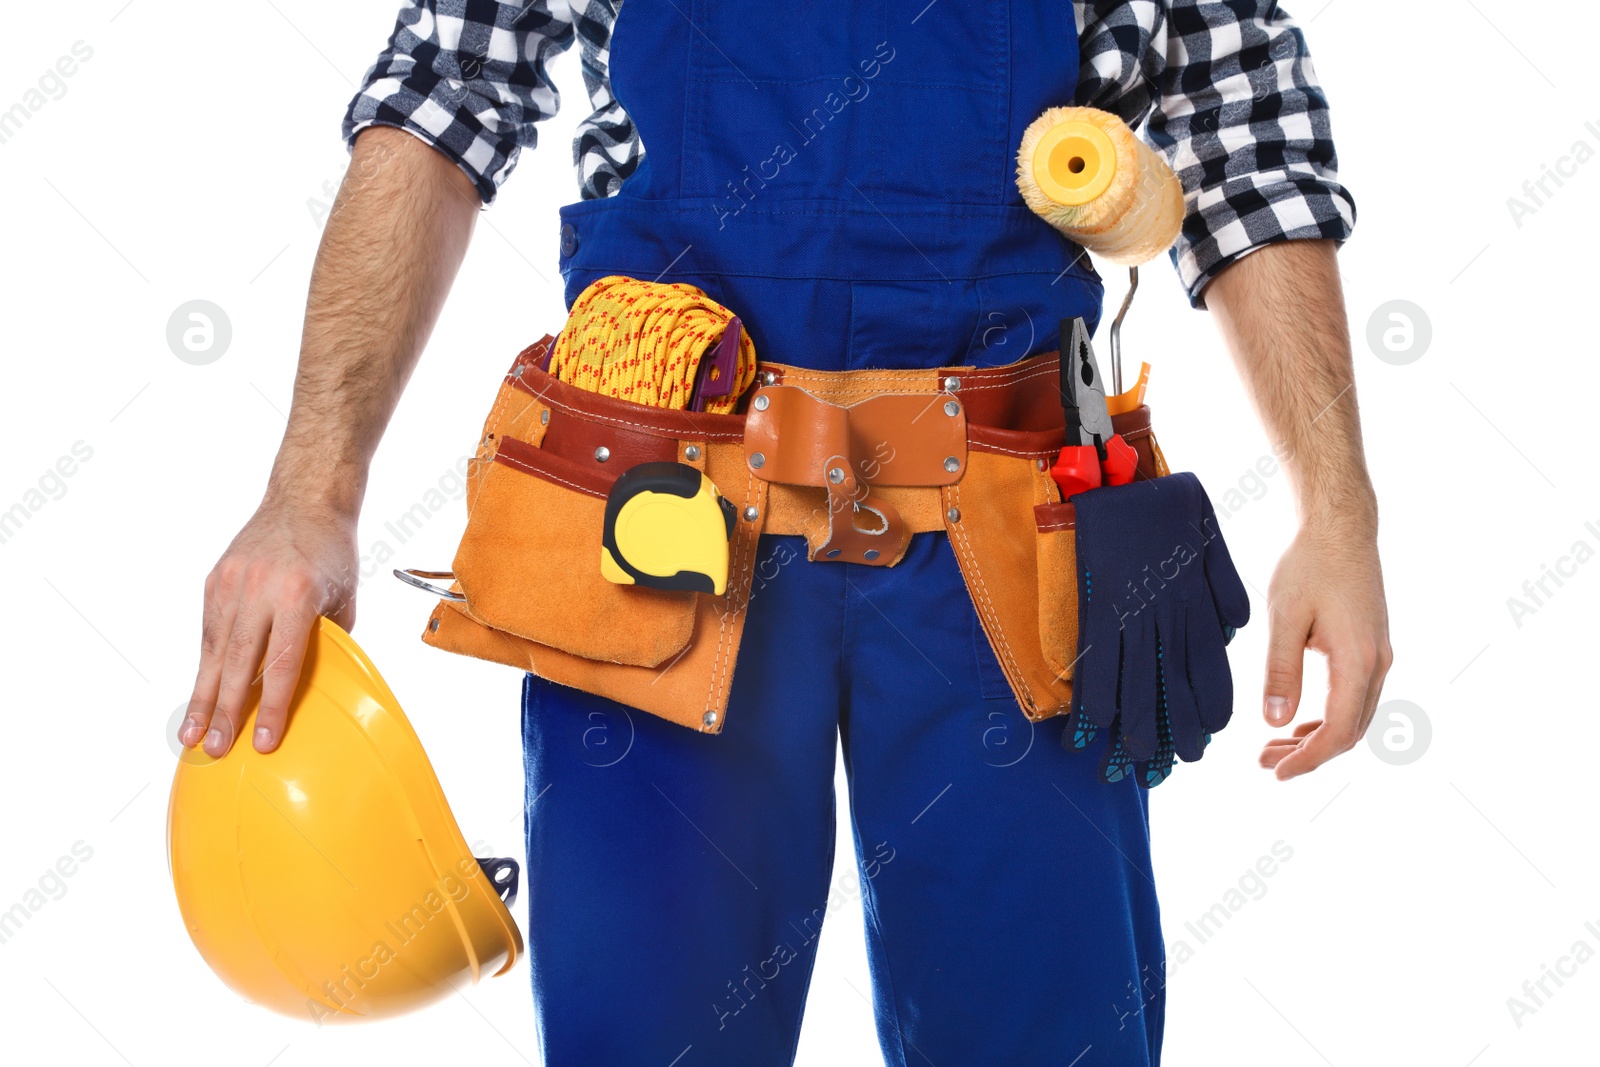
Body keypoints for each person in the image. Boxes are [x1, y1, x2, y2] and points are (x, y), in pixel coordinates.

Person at [178, 2, 1391, 1062]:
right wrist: (310, 491)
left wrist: (1338, 511)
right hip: (659, 543)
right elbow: (447, 91)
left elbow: (1244, 133)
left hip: (1010, 551)